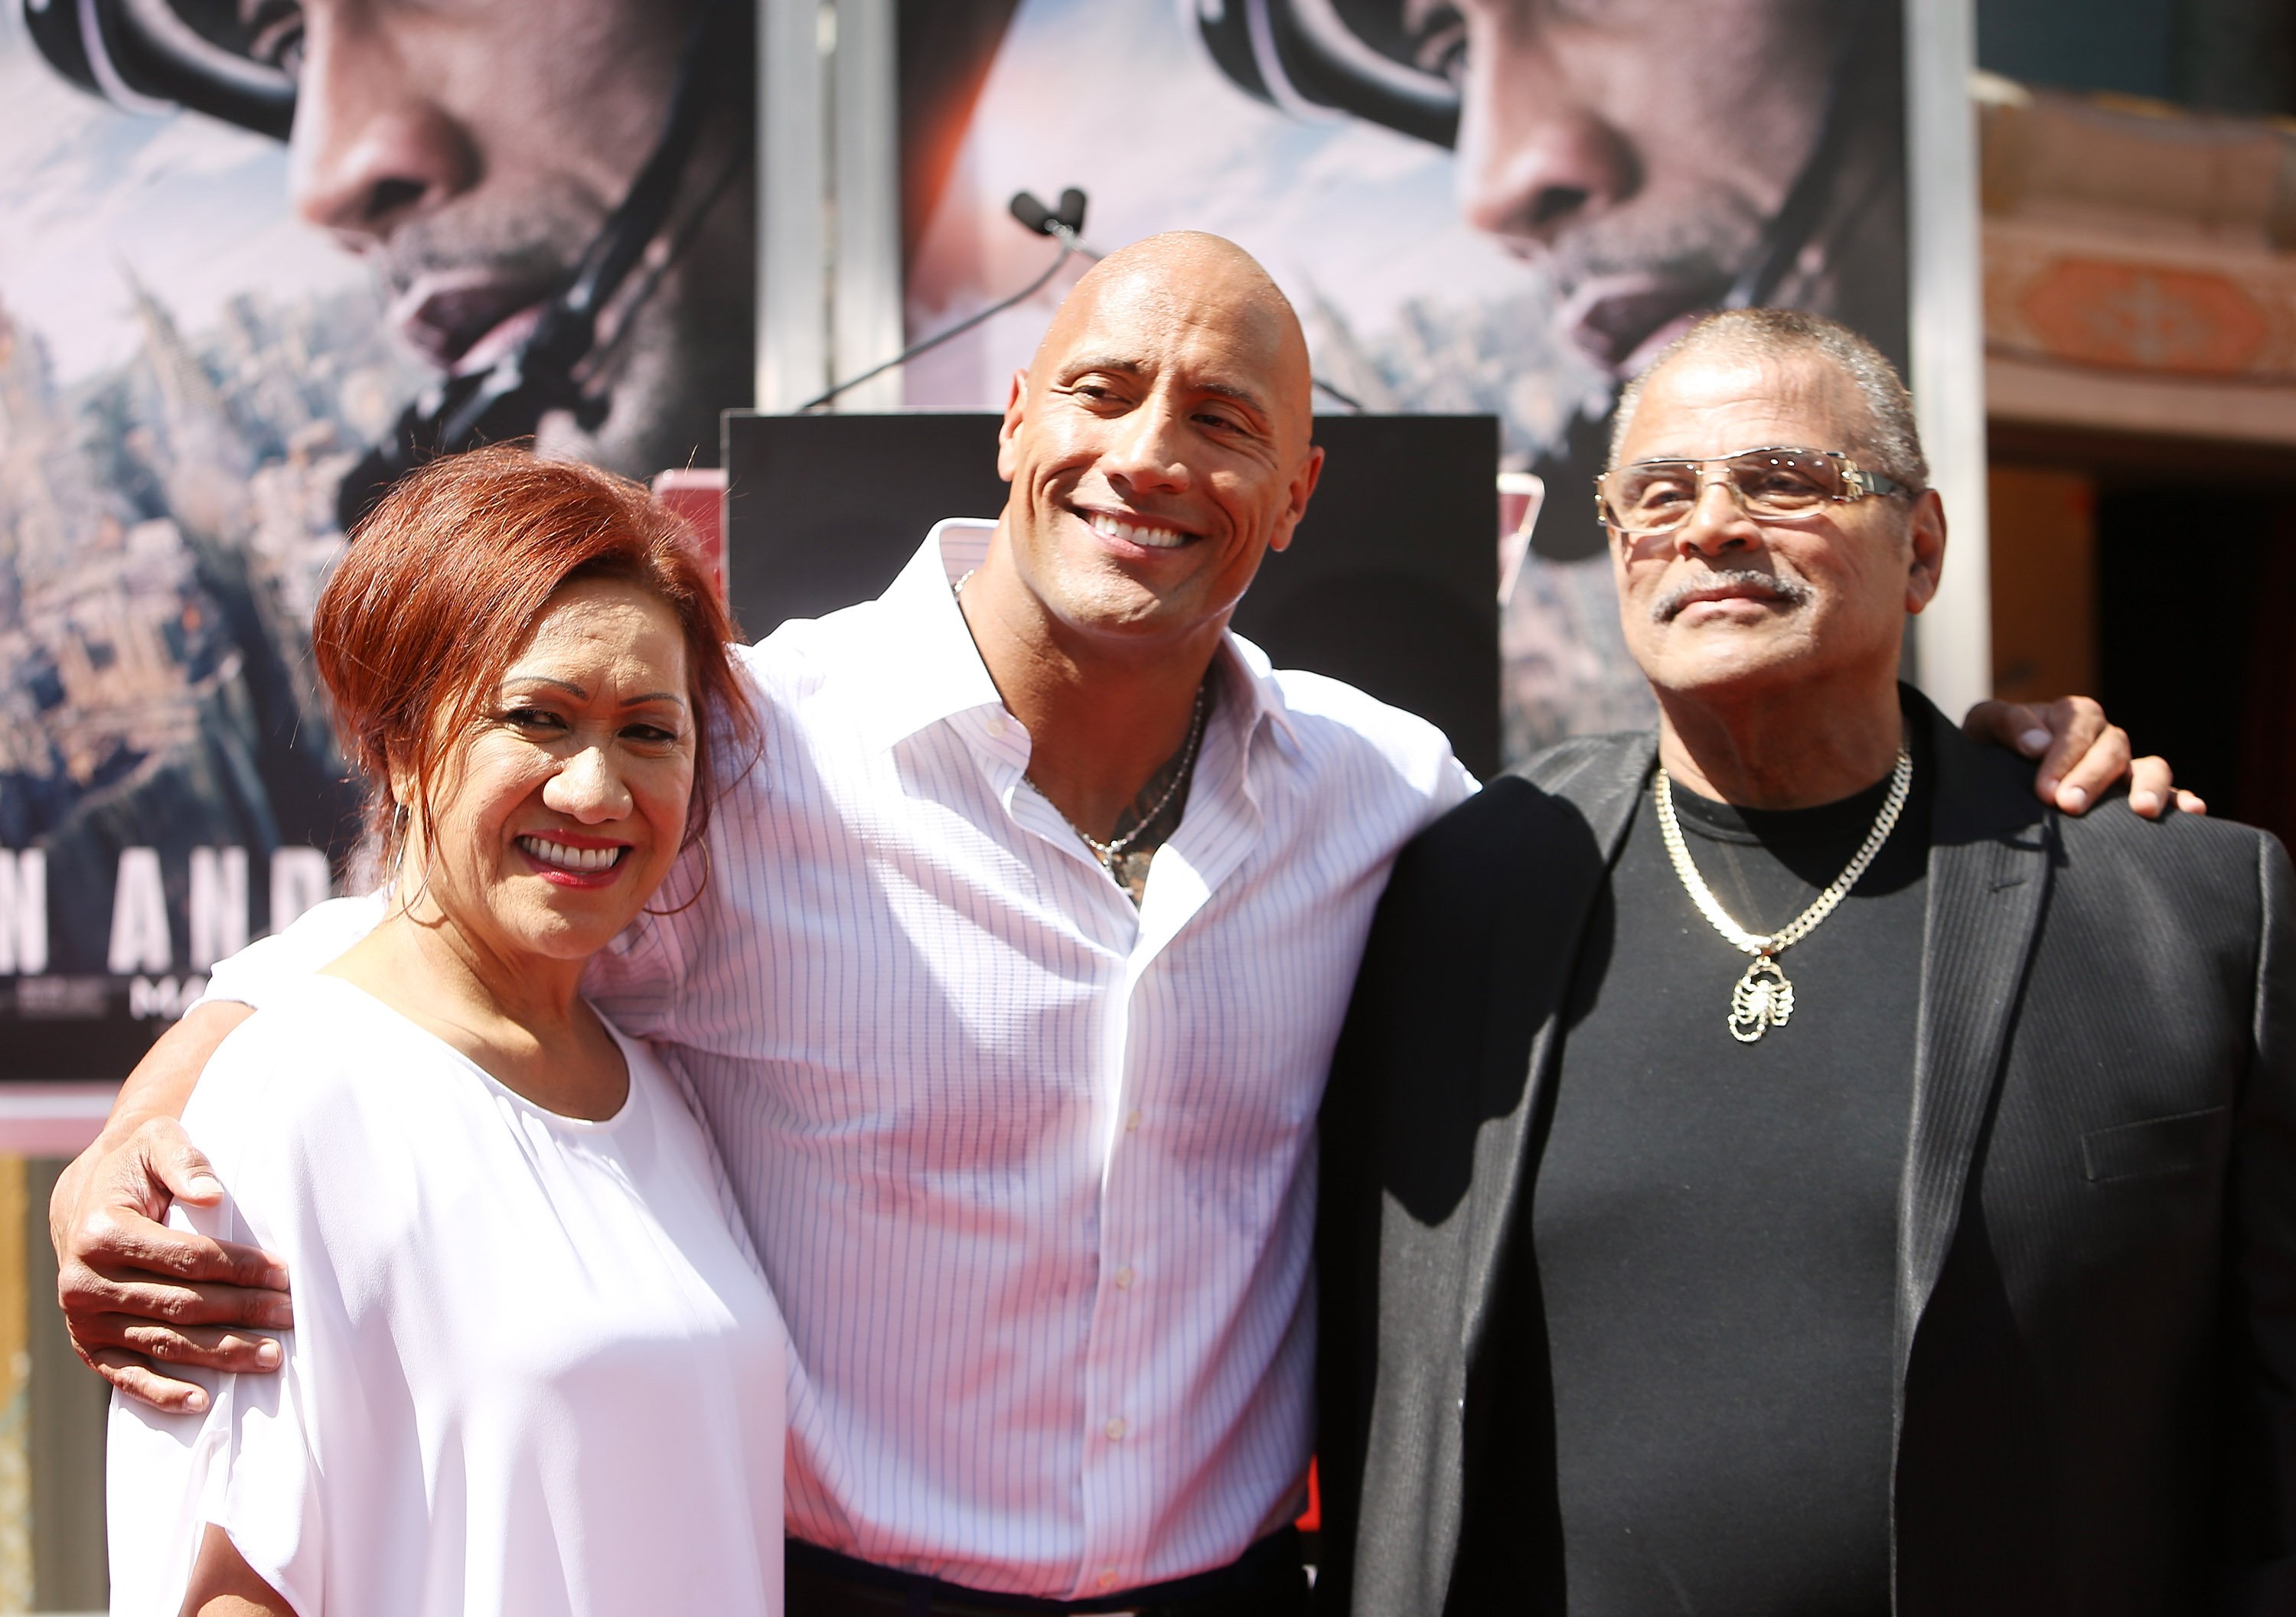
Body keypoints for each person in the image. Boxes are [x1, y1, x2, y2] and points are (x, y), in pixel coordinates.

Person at [61, 239, 2168, 1615]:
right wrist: (185, 1091)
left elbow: (1726, 814)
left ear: (1296, 497)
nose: (1149, 451)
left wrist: (1996, 751)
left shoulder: (1390, 803)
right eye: (1104, 392)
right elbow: (448, 925)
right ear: (1015, 426)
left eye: (1222, 419)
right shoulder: (757, 754)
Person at [1314, 309, 2296, 1615]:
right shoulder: (1463, 887)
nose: (1711, 526)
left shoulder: (2187, 909)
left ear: (1924, 548)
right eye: (1658, 494)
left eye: (1783, 482)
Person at [105, 446, 786, 1615]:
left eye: (649, 731)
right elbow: (227, 1587)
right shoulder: (291, 1095)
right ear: (403, 744)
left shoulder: (659, 1089)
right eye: (540, 718)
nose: (596, 790)